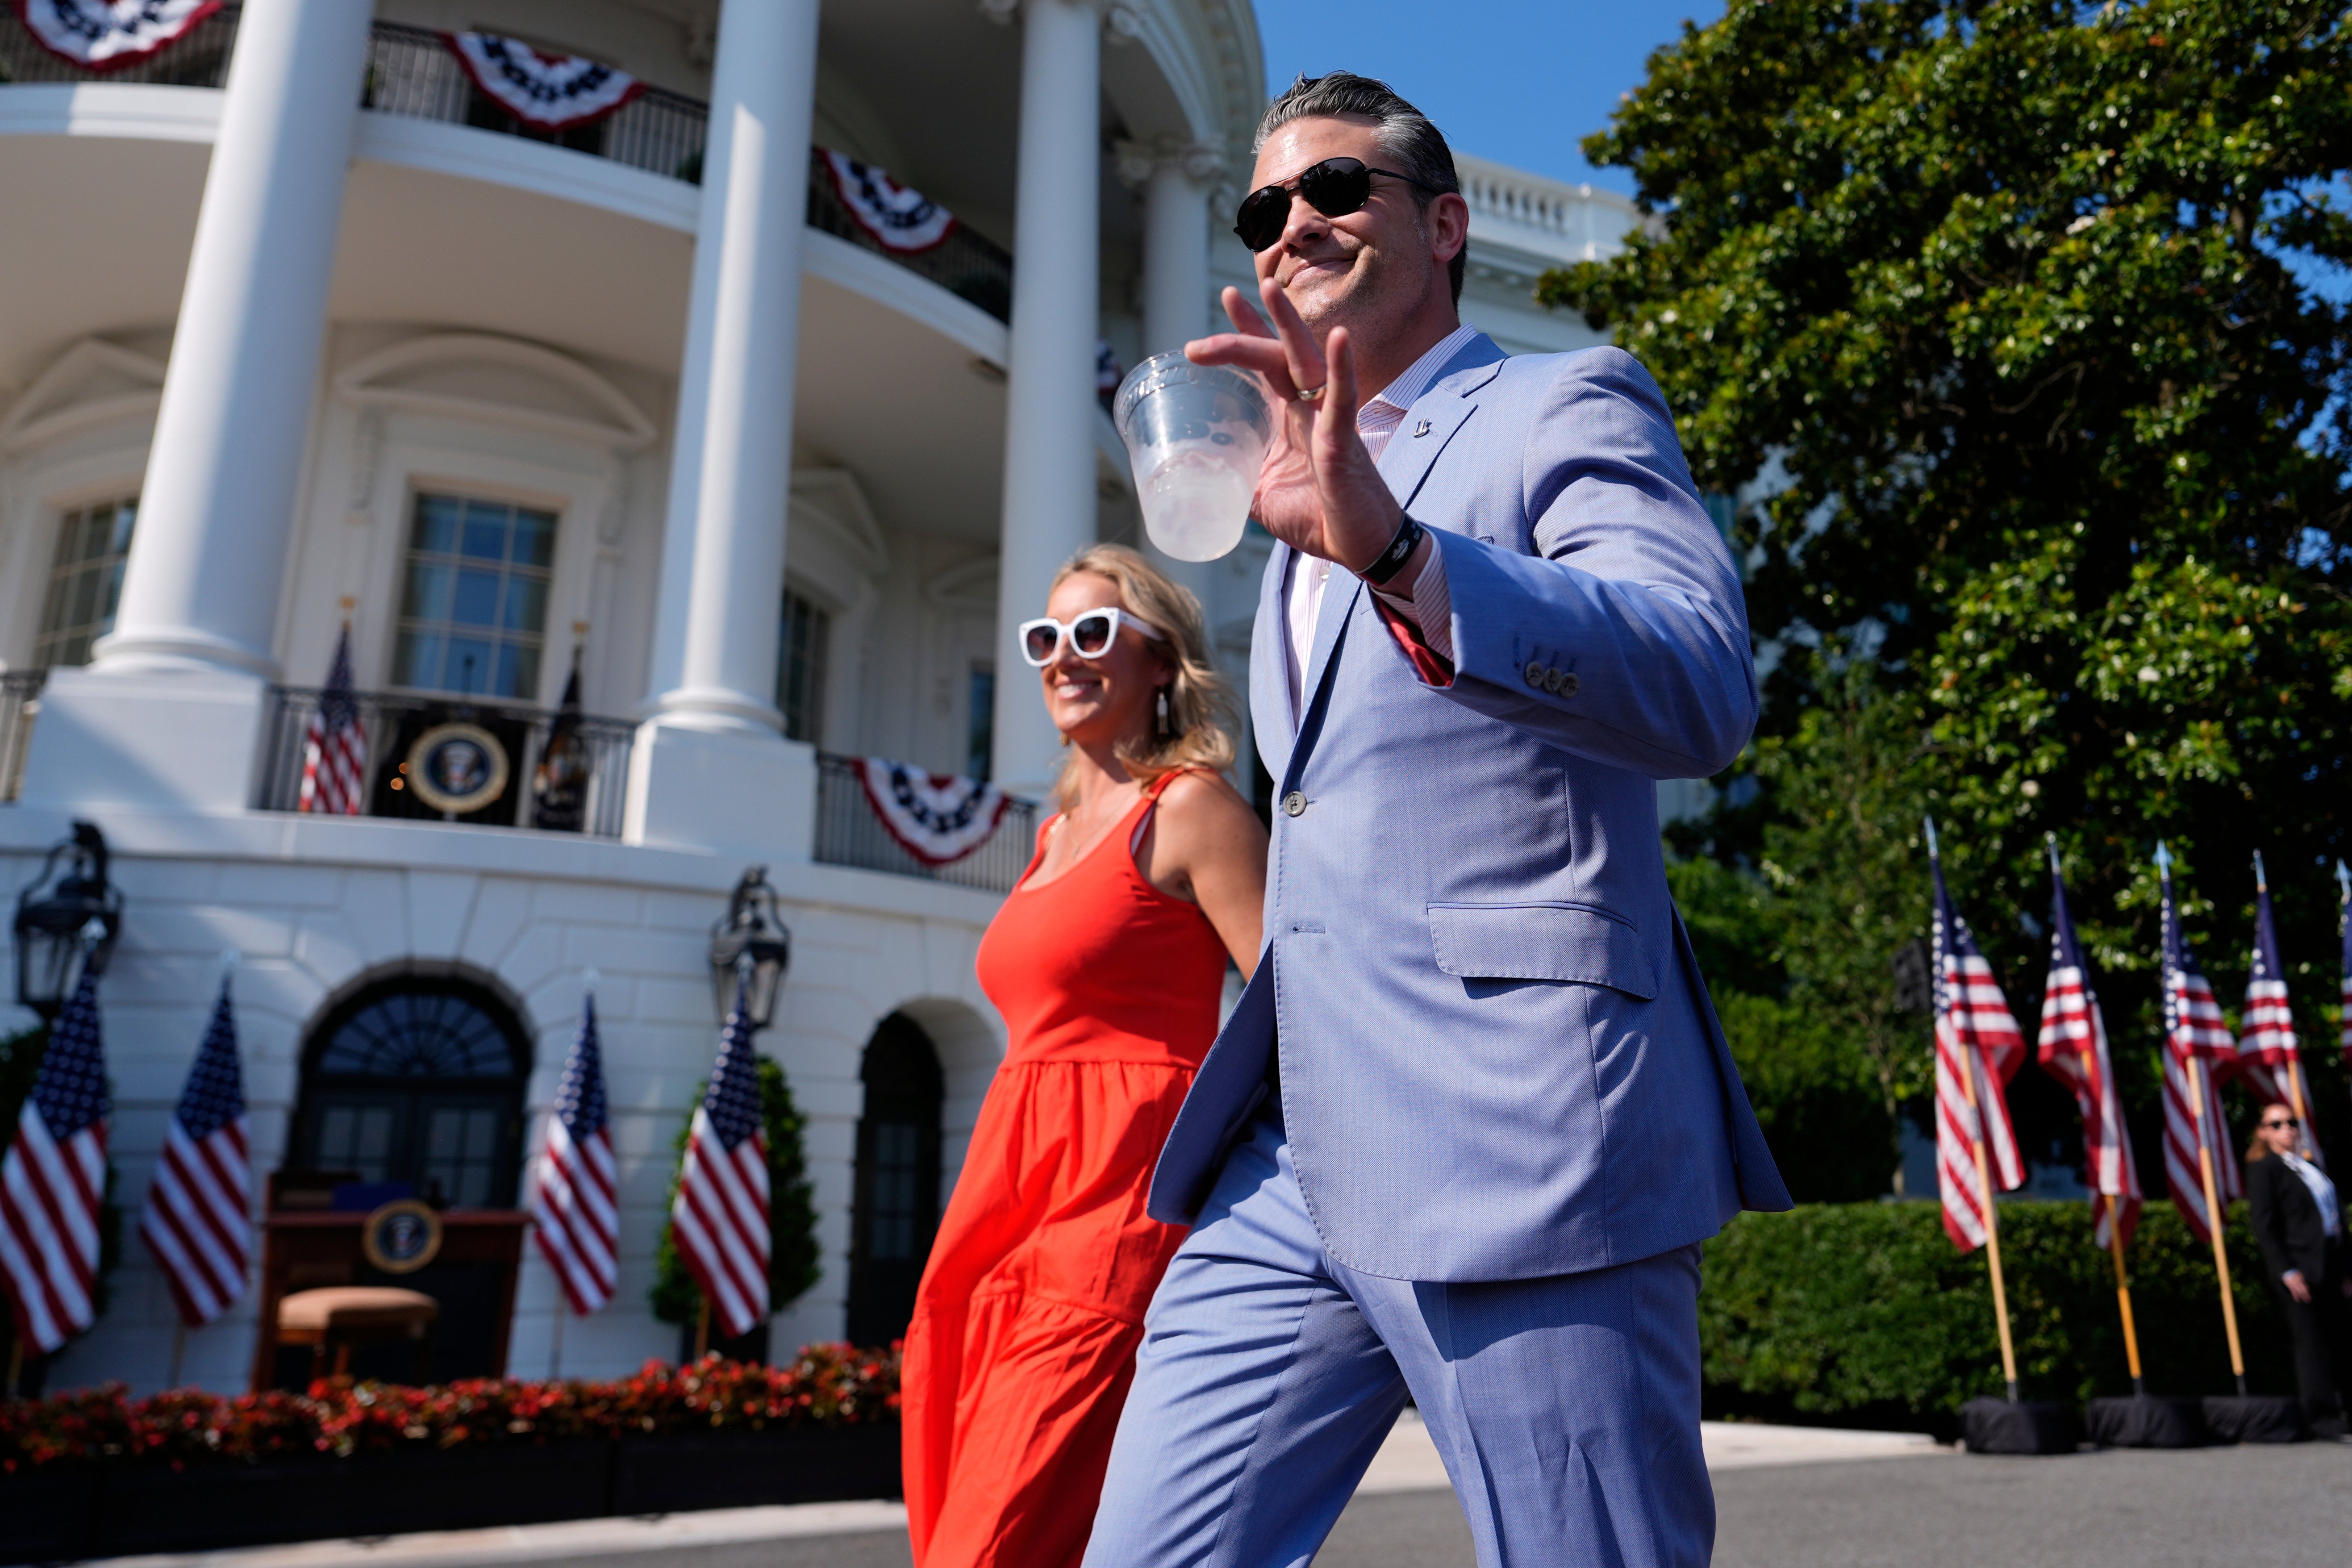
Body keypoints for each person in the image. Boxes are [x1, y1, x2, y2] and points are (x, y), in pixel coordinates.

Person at [1080, 74, 1788, 1568]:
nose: (1291, 226)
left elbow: (1701, 684)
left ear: (1444, 224)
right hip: (1288, 1160)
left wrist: (1397, 550)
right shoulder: (1286, 496)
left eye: (1334, 190)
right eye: (1263, 209)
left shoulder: (1557, 399)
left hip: (1515, 1139)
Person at [901, 545, 1270, 1568]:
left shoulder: (1190, 807)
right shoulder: (1051, 833)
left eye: (1094, 631)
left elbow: (1295, 1010)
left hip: (1118, 1202)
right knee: (970, 1510)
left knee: (995, 1537)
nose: (1064, 656)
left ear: (1163, 660)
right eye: (1046, 638)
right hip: (1004, 1199)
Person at [2245, 1101, 2350, 1436]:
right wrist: (2286, 1270)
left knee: (2342, 1340)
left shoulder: (2310, 1165)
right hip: (2300, 1269)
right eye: (2276, 1124)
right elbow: (2265, 1226)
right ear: (2263, 1132)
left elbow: (2334, 1219)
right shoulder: (2265, 1169)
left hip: (2332, 1265)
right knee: (2312, 1345)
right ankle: (2323, 1419)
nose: (2287, 1129)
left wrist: (2346, 1268)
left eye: (2292, 1122)